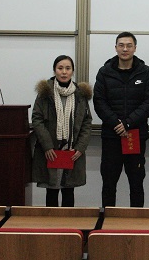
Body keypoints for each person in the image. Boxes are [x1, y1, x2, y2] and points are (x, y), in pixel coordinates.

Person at [93, 31, 149, 207]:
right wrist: (116, 123)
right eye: (121, 45)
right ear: (116, 48)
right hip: (111, 136)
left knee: (136, 182)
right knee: (109, 183)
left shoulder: (145, 72)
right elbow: (99, 101)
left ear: (135, 48)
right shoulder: (105, 72)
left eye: (129, 45)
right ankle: (106, 220)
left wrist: (128, 123)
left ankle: (136, 221)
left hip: (135, 135)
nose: (125, 49)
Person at [31, 55, 93, 207]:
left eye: (68, 68)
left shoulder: (80, 94)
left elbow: (86, 122)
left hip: (71, 151)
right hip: (51, 151)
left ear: (72, 71)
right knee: (52, 190)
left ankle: (68, 222)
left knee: (68, 190)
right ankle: (51, 222)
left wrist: (80, 147)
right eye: (60, 68)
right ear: (54, 70)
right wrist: (47, 146)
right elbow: (37, 119)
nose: (64, 72)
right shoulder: (45, 93)